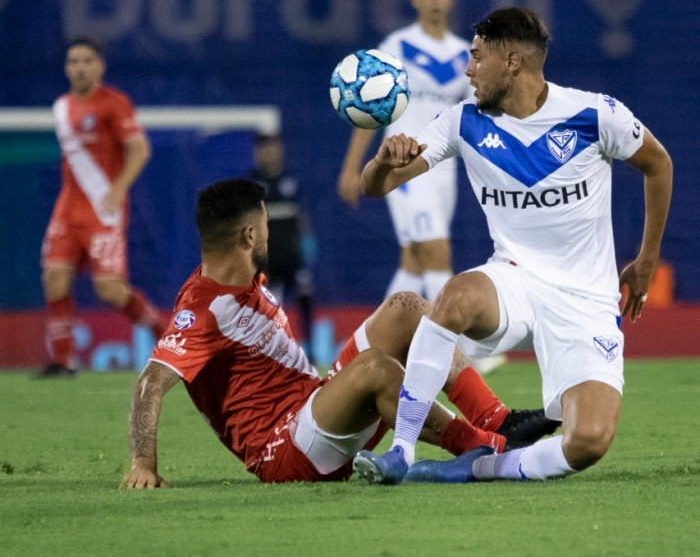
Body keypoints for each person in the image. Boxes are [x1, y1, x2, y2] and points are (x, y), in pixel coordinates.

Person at [352, 7, 673, 485]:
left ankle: (479, 467)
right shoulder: (462, 122)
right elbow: (375, 186)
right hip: (515, 280)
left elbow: (659, 164)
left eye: (476, 58)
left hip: (585, 302)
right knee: (454, 297)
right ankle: (401, 449)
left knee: (587, 442)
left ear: (513, 62)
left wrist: (646, 261)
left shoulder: (594, 114)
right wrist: (381, 162)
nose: (467, 71)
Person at [120, 178, 558, 488]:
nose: (272, 233)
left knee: (406, 308)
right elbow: (151, 383)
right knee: (375, 369)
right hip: (285, 450)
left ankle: (496, 419)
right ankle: (490, 447)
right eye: (267, 225)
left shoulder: (244, 282)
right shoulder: (204, 309)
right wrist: (144, 463)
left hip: (315, 409)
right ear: (250, 235)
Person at [337, 0, 472, 304]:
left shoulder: (465, 54)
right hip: (405, 165)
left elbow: (474, 113)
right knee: (437, 252)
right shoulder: (397, 46)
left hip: (444, 168)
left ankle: (373, 346)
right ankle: (455, 348)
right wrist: (351, 168)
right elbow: (368, 108)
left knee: (414, 261)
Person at [38, 37, 167, 377]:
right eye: (73, 61)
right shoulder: (62, 107)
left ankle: (166, 337)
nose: (79, 68)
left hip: (102, 209)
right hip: (67, 209)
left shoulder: (113, 103)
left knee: (109, 289)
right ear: (66, 68)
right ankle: (64, 361)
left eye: (86, 61)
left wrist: (118, 188)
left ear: (100, 66)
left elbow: (140, 149)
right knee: (54, 278)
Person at [247, 131, 316, 359]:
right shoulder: (251, 183)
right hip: (268, 260)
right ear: (257, 153)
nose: (269, 152)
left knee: (306, 296)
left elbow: (303, 216)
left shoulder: (293, 181)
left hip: (294, 258)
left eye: (273, 147)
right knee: (269, 306)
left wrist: (308, 245)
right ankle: (269, 352)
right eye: (264, 148)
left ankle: (311, 349)